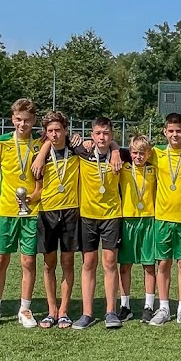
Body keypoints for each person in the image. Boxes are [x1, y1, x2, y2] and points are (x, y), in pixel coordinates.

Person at [0, 98, 43, 330]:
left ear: (34, 120)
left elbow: (43, 176)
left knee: (28, 260)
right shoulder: (2, 143)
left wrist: (35, 195)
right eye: (18, 119)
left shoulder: (39, 144)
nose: (22, 124)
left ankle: (25, 308)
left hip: (32, 211)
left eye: (27, 120)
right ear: (12, 119)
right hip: (6, 209)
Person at [72, 117, 127, 330]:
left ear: (112, 136)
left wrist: (114, 150)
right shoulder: (82, 151)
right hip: (87, 216)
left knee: (110, 262)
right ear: (91, 135)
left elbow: (144, 150)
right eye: (97, 133)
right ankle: (87, 313)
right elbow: (55, 138)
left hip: (112, 215)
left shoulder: (121, 155)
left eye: (106, 133)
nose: (101, 137)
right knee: (88, 263)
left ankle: (111, 312)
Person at [149, 113, 181, 328]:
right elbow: (133, 150)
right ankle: (163, 307)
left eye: (178, 131)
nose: (174, 134)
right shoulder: (156, 154)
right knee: (163, 263)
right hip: (162, 217)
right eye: (170, 131)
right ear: (164, 131)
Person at [35, 111, 81, 329]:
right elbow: (37, 189)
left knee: (68, 262)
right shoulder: (41, 155)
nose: (54, 134)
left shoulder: (76, 151)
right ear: (46, 133)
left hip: (71, 212)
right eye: (50, 131)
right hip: (47, 212)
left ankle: (64, 310)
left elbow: (103, 145)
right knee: (48, 264)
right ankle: (51, 309)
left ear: (65, 130)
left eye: (58, 130)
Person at [118, 135, 158, 324]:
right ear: (130, 153)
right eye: (134, 153)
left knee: (149, 265)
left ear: (148, 153)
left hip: (149, 219)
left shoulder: (154, 169)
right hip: (127, 220)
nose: (138, 156)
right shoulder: (124, 168)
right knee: (125, 265)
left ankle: (149, 305)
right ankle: (125, 306)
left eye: (142, 153)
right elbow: (114, 148)